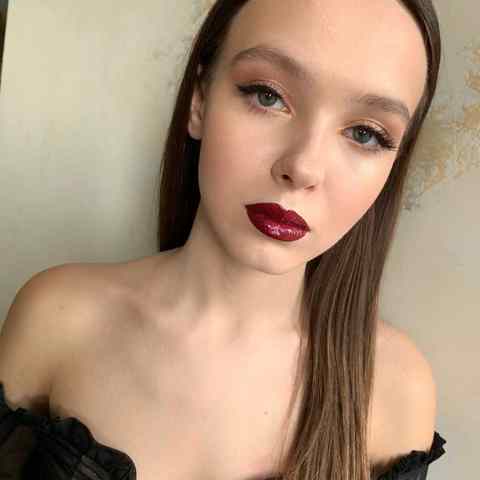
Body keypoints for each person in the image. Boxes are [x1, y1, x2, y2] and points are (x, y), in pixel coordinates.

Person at [0, 0, 447, 479]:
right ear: (199, 100)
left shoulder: (397, 388)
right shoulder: (59, 318)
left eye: (366, 133)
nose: (302, 167)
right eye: (267, 96)